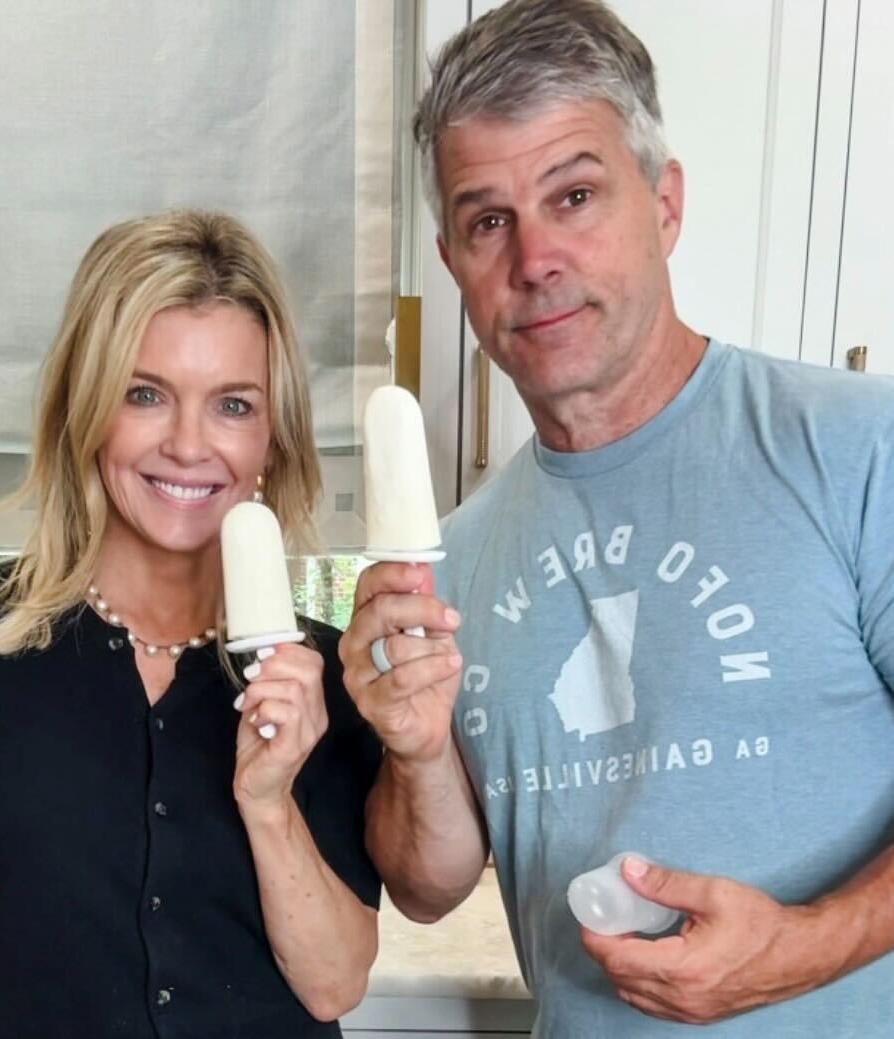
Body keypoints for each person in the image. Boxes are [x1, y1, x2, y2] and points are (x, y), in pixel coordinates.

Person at [338, 1, 894, 1035]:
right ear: (452, 260)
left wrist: (811, 942)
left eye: (575, 194)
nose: (534, 258)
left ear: (665, 202)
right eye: (487, 219)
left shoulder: (858, 448)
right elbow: (427, 885)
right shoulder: (449, 561)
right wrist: (413, 750)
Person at [0, 210, 382, 1039]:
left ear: (271, 438)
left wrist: (267, 800)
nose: (188, 444)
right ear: (86, 405)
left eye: (232, 404)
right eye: (145, 394)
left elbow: (334, 984)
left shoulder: (320, 671)